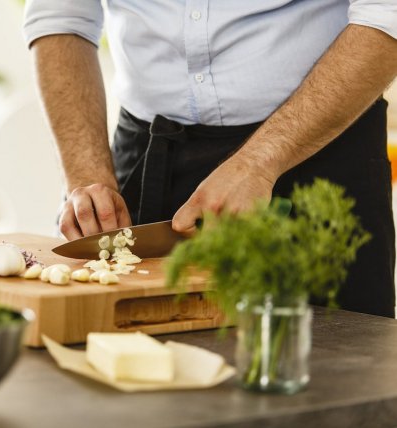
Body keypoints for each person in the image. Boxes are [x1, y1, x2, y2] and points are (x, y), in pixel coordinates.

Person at [23, 1, 397, 317]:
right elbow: (61, 17)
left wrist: (258, 162)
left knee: (332, 374)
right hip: (147, 166)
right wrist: (86, 174)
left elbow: (386, 13)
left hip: (321, 157)